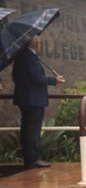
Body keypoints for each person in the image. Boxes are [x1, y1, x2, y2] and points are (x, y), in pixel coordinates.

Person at [12, 37, 65, 169]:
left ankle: (29, 159)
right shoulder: (31, 57)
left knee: (26, 130)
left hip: (24, 99)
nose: (40, 45)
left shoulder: (20, 57)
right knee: (33, 131)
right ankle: (33, 160)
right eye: (40, 43)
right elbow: (36, 78)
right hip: (33, 100)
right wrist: (54, 80)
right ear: (35, 43)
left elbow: (14, 77)